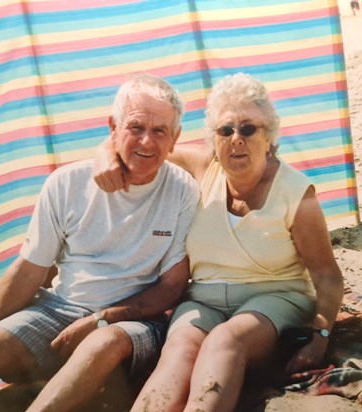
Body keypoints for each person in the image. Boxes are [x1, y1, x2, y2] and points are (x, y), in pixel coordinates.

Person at [0, 73, 200, 412]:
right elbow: (30, 269)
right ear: (113, 126)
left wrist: (101, 319)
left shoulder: (183, 190)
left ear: (175, 138)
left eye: (159, 131)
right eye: (136, 127)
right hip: (59, 307)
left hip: (132, 322)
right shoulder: (66, 183)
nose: (147, 142)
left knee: (100, 345)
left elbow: (171, 287)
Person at [94, 72, 344, 412]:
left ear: (270, 136)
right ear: (213, 139)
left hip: (274, 296)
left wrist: (321, 336)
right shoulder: (202, 167)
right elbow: (145, 147)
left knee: (225, 342)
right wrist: (105, 152)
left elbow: (327, 275)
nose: (236, 139)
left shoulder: (297, 194)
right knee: (179, 348)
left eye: (248, 128)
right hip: (205, 297)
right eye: (225, 130)